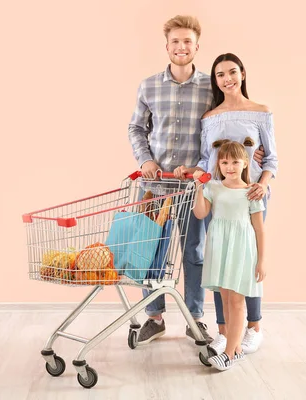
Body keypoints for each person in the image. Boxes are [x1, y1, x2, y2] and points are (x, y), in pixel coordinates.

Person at [174, 52, 278, 355]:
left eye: (232, 72)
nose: (227, 79)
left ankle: (253, 327)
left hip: (250, 196)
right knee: (220, 260)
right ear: (215, 81)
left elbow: (270, 157)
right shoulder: (210, 117)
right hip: (218, 198)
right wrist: (195, 173)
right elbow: (208, 161)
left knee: (247, 262)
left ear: (242, 73)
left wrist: (261, 184)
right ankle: (222, 330)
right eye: (220, 75)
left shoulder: (261, 112)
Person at [127, 15, 215, 345]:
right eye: (175, 41)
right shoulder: (149, 85)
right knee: (150, 253)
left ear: (196, 46)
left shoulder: (210, 87)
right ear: (167, 46)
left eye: (187, 41)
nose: (181, 46)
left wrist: (254, 150)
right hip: (155, 187)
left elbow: (221, 130)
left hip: (193, 190)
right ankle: (155, 317)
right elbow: (136, 128)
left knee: (194, 252)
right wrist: (145, 159)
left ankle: (195, 319)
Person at [192, 139, 266, 371]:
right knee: (225, 300)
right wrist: (198, 188)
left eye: (235, 162)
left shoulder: (250, 192)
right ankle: (235, 349)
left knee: (236, 301)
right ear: (218, 164)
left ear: (245, 163)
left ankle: (229, 353)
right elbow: (201, 213)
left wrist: (261, 261)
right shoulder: (213, 187)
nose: (230, 167)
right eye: (224, 162)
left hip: (241, 250)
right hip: (219, 249)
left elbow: (259, 229)